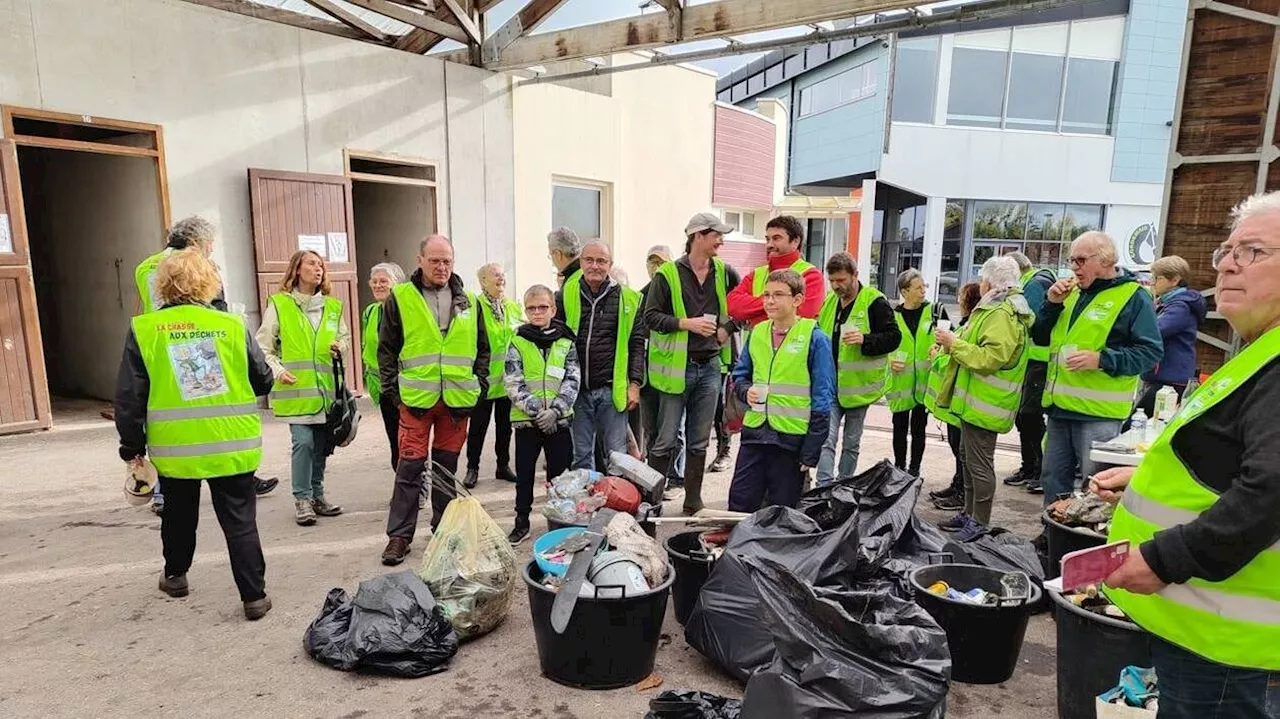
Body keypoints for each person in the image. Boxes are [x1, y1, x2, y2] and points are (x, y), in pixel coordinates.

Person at [1091, 192, 1280, 716]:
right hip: (1209, 633)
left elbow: (1270, 491)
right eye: (1227, 250)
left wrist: (1164, 558)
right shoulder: (1262, 351)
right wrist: (1144, 478)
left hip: (1230, 650)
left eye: (1253, 252)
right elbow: (1233, 458)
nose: (1227, 264)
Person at [114, 249, 273, 620]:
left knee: (179, 515)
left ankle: (176, 576)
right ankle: (254, 597)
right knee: (240, 520)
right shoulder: (232, 325)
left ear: (162, 286)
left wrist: (131, 447)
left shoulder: (144, 328)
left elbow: (129, 396)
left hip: (176, 448)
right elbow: (262, 378)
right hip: (232, 441)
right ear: (208, 283)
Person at [135, 216, 277, 511]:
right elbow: (217, 306)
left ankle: (162, 493)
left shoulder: (144, 266)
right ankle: (236, 477)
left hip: (159, 346)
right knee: (209, 417)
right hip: (199, 341)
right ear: (198, 242)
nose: (212, 248)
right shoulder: (200, 266)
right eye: (210, 243)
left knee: (168, 426)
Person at [378, 235, 490, 565]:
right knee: (409, 468)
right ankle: (399, 536)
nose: (441, 267)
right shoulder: (400, 297)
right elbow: (386, 349)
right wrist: (393, 392)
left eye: (447, 261)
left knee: (445, 471)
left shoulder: (471, 301)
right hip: (415, 401)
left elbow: (483, 350)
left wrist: (478, 383)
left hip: (456, 402)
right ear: (420, 260)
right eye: (435, 261)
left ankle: (444, 532)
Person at [1032, 232, 1162, 508]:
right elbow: (1040, 337)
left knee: (1097, 485)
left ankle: (1086, 543)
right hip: (1059, 408)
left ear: (1105, 260)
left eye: (1080, 260)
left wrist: (1101, 359)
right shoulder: (1070, 292)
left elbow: (1150, 353)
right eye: (1071, 261)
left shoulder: (1133, 297)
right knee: (1053, 478)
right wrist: (1051, 305)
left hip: (1098, 414)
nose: (1074, 268)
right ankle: (1052, 536)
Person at [644, 213, 740, 514]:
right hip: (677, 369)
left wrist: (728, 328)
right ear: (699, 235)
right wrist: (687, 323)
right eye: (717, 235)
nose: (721, 241)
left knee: (699, 441)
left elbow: (746, 305)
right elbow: (650, 318)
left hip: (711, 367)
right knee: (665, 440)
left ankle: (693, 501)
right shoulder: (668, 275)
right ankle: (653, 503)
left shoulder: (725, 272)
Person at [933, 256, 1033, 540]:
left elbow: (990, 357)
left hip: (986, 403)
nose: (980, 285)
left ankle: (978, 522)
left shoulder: (1001, 312)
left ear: (990, 281)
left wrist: (954, 344)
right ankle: (969, 514)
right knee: (968, 458)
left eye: (982, 279)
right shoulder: (996, 308)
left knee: (978, 464)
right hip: (976, 401)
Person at [727, 270, 835, 511]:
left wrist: (811, 451)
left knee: (781, 509)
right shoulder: (757, 333)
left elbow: (822, 398)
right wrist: (746, 392)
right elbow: (740, 375)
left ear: (797, 300)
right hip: (755, 433)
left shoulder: (815, 338)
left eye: (778, 295)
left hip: (790, 439)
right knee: (740, 502)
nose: (769, 301)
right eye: (766, 295)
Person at [257, 250, 350, 527]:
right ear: (297, 269)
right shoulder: (280, 304)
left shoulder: (332, 307)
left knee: (321, 447)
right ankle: (302, 499)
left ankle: (317, 495)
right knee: (304, 444)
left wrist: (340, 347)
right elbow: (263, 346)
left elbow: (343, 337)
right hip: (296, 392)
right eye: (311, 263)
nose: (318, 268)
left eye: (321, 264)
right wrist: (278, 370)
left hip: (327, 392)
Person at [556, 240, 644, 471]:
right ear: (582, 262)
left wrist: (634, 384)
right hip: (577, 391)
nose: (595, 266)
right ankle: (585, 505)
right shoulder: (567, 294)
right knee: (582, 457)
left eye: (601, 261)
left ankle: (616, 504)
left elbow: (636, 344)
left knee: (617, 457)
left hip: (611, 390)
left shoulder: (627, 299)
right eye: (589, 260)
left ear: (610, 265)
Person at [815, 252, 900, 485]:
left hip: (858, 388)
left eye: (841, 280)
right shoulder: (830, 302)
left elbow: (894, 337)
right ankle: (824, 486)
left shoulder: (874, 301)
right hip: (830, 384)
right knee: (826, 439)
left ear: (855, 275)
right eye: (832, 280)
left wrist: (865, 339)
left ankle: (844, 484)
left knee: (851, 443)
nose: (836, 286)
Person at [504, 284, 580, 545]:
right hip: (528, 422)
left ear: (553, 309)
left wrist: (556, 411)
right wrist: (539, 412)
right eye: (532, 308)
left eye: (543, 307)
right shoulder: (517, 342)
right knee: (524, 477)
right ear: (525, 311)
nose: (537, 312)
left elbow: (573, 379)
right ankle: (521, 522)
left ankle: (557, 524)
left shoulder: (566, 342)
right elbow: (513, 382)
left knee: (560, 479)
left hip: (558, 423)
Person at [463, 262, 522, 489]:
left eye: (503, 275)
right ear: (483, 281)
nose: (501, 279)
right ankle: (472, 468)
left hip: (507, 381)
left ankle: (503, 465)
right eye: (496, 275)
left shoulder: (512, 307)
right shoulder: (474, 306)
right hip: (484, 380)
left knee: (505, 427)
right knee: (478, 427)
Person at [1003, 251, 1057, 492]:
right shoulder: (1035, 282)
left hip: (1039, 360)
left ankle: (1039, 469)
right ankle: (1030, 466)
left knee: (1029, 416)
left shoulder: (1034, 284)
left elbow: (1033, 323)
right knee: (1024, 417)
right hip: (1032, 361)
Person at [1132, 255, 1206, 422]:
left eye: (1156, 278)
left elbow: (1154, 331)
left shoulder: (1180, 307)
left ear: (1174, 280)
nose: (1152, 282)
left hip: (1170, 381)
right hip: (1161, 378)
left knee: (1137, 424)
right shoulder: (1165, 304)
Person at [929, 282, 982, 511]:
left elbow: (956, 358)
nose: (958, 300)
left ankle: (961, 492)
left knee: (962, 450)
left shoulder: (970, 327)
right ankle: (957, 485)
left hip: (961, 400)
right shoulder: (965, 325)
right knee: (957, 447)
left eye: (961, 296)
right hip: (955, 401)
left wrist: (937, 357)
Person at [638, 244, 684, 488]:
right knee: (652, 429)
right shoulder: (639, 297)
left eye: (661, 262)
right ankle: (655, 478)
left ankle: (675, 476)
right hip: (648, 376)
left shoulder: (678, 297)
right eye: (651, 262)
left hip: (673, 376)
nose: (656, 268)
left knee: (673, 431)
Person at [726, 215, 826, 326]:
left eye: (776, 238)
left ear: (795, 241)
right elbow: (732, 305)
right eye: (767, 239)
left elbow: (802, 315)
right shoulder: (757, 273)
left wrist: (753, 310)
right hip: (757, 342)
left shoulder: (811, 275)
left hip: (794, 342)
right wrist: (781, 303)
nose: (769, 244)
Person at [887, 269, 933, 478]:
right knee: (899, 427)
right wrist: (889, 361)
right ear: (905, 291)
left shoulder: (934, 312)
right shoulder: (892, 316)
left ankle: (914, 470)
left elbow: (948, 336)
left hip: (924, 382)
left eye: (924, 286)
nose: (923, 291)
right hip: (900, 382)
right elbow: (883, 347)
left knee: (919, 429)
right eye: (918, 287)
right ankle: (899, 468)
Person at [361, 262, 407, 470]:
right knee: (394, 441)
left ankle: (415, 489)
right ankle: (403, 487)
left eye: (384, 281)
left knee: (408, 441)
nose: (378, 285)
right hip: (382, 387)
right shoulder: (370, 312)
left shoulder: (405, 312)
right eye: (375, 281)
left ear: (396, 284)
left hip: (404, 387)